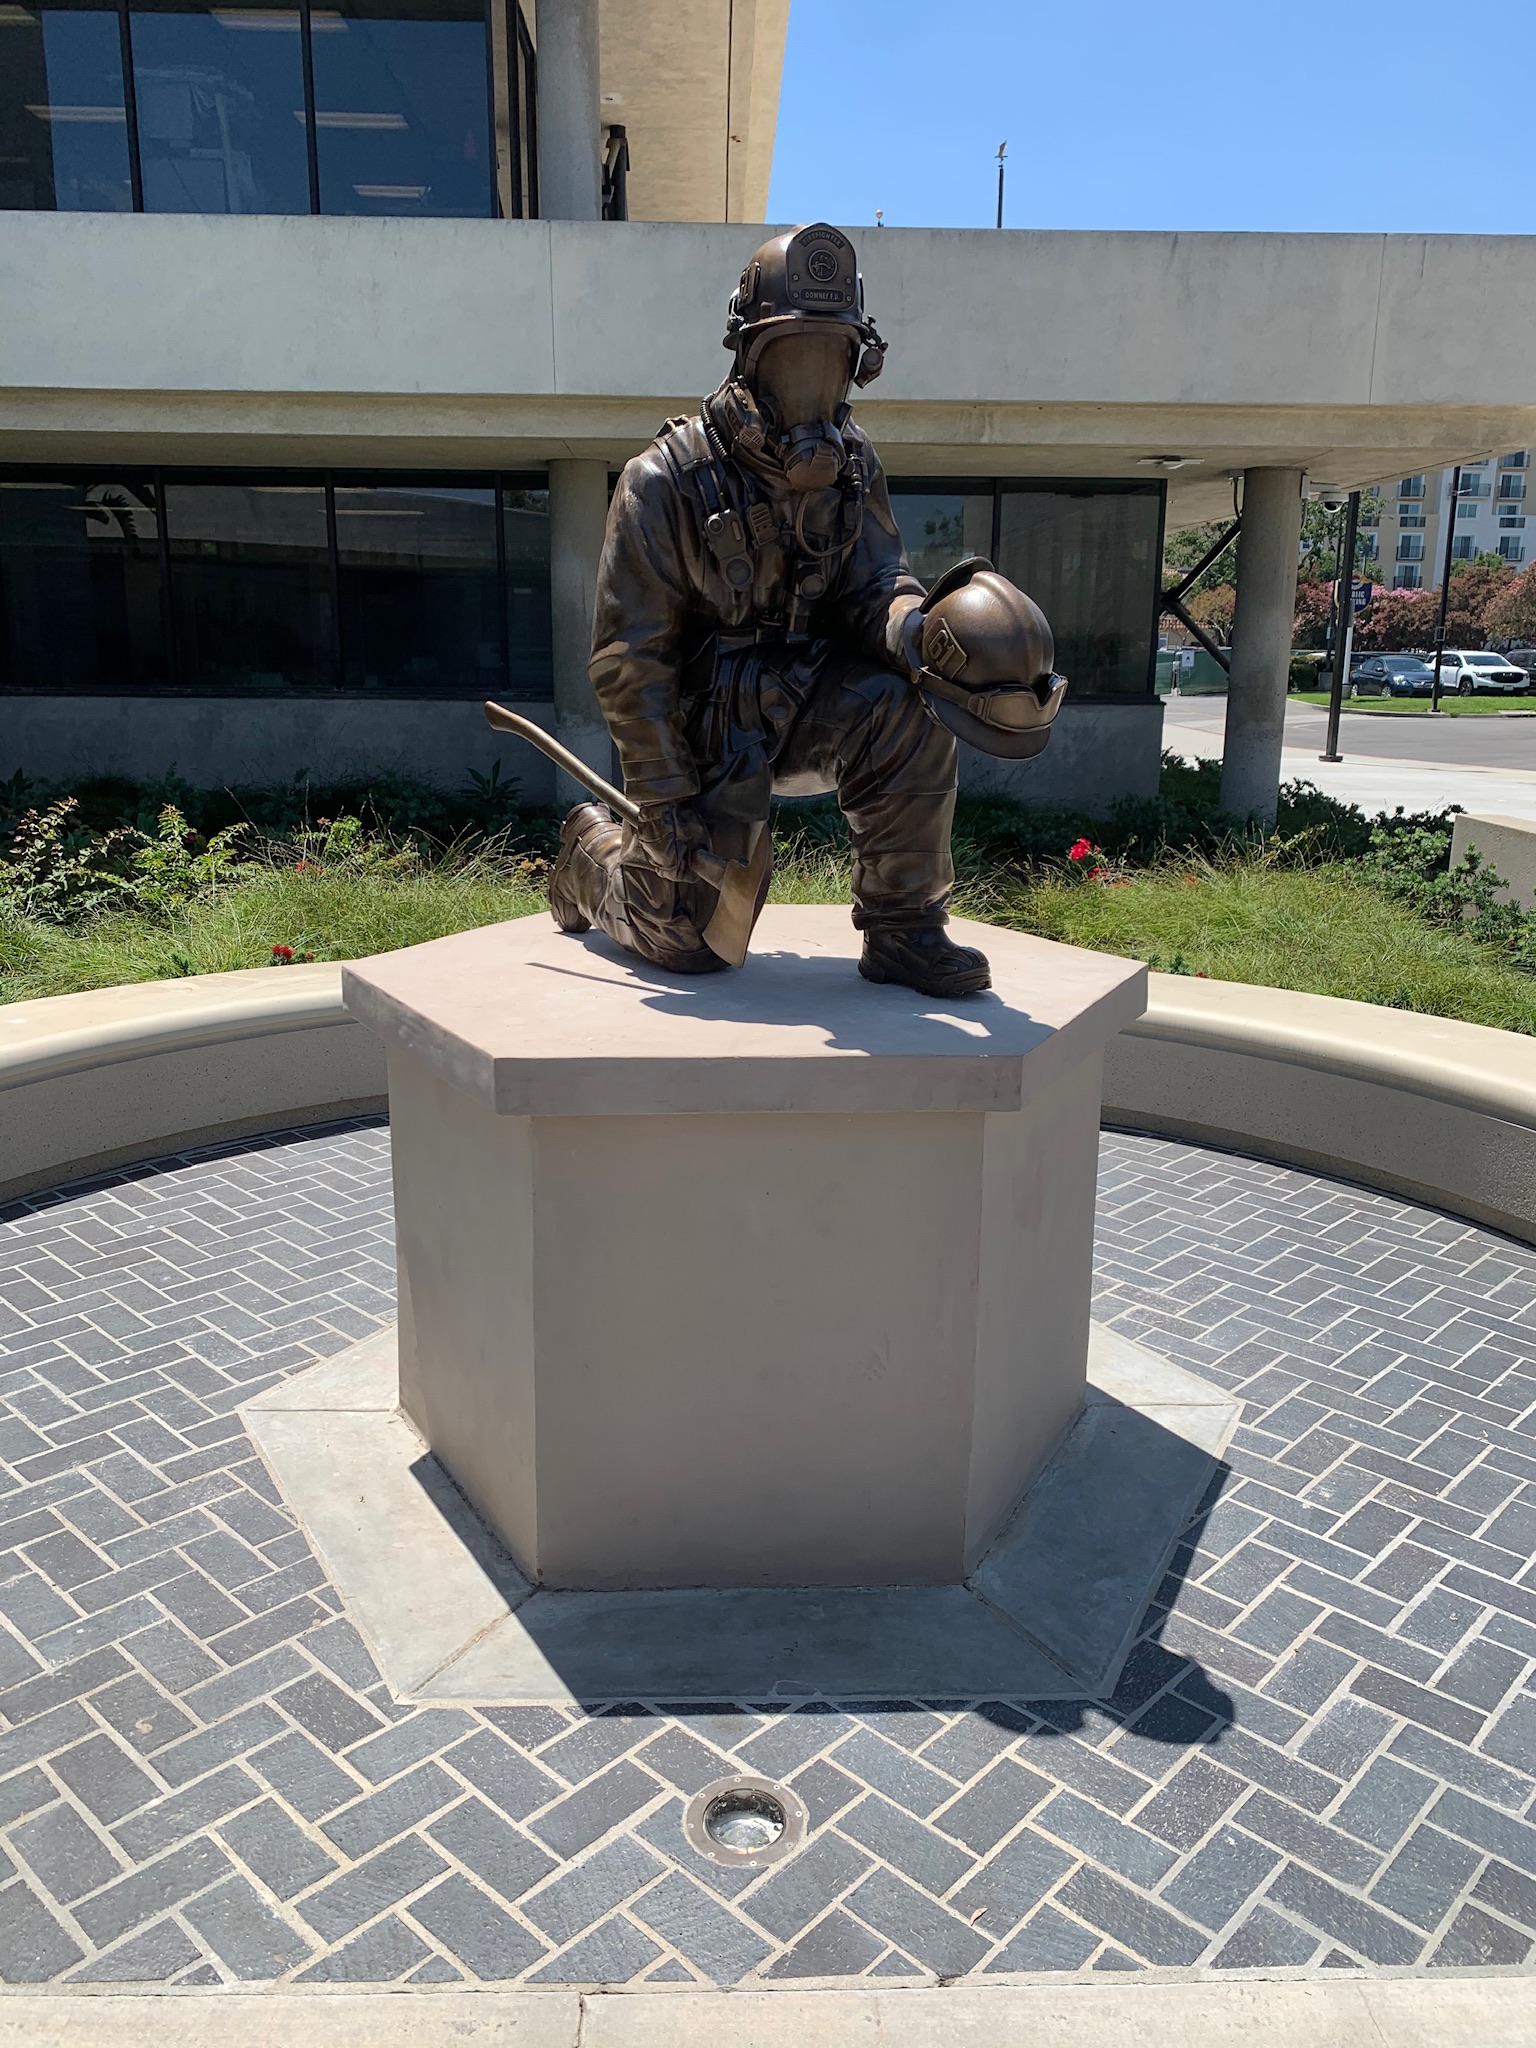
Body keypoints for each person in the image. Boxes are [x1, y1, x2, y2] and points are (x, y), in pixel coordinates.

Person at [547, 222, 1066, 997]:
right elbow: (631, 661)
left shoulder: (855, 468)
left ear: (859, 363)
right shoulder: (663, 480)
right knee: (690, 945)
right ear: (749, 357)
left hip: (809, 697)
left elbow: (874, 584)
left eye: (832, 360)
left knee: (908, 705)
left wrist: (917, 635)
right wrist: (663, 795)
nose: (813, 387)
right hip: (706, 724)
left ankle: (904, 928)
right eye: (794, 358)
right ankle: (591, 855)